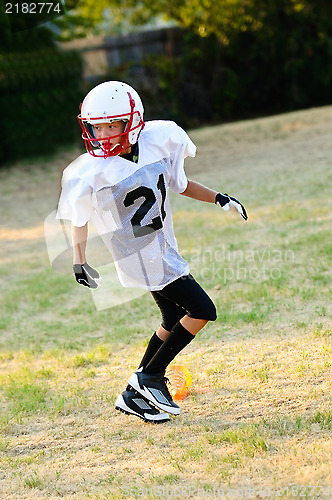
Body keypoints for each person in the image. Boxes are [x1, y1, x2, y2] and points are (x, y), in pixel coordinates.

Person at [57, 81, 247, 423]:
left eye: (111, 125)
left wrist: (219, 197)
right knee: (203, 309)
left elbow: (180, 183)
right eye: (96, 127)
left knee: (171, 319)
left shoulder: (158, 140)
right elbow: (79, 217)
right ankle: (150, 377)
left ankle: (132, 394)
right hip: (139, 254)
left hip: (161, 246)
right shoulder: (90, 169)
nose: (102, 134)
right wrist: (78, 260)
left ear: (132, 121)